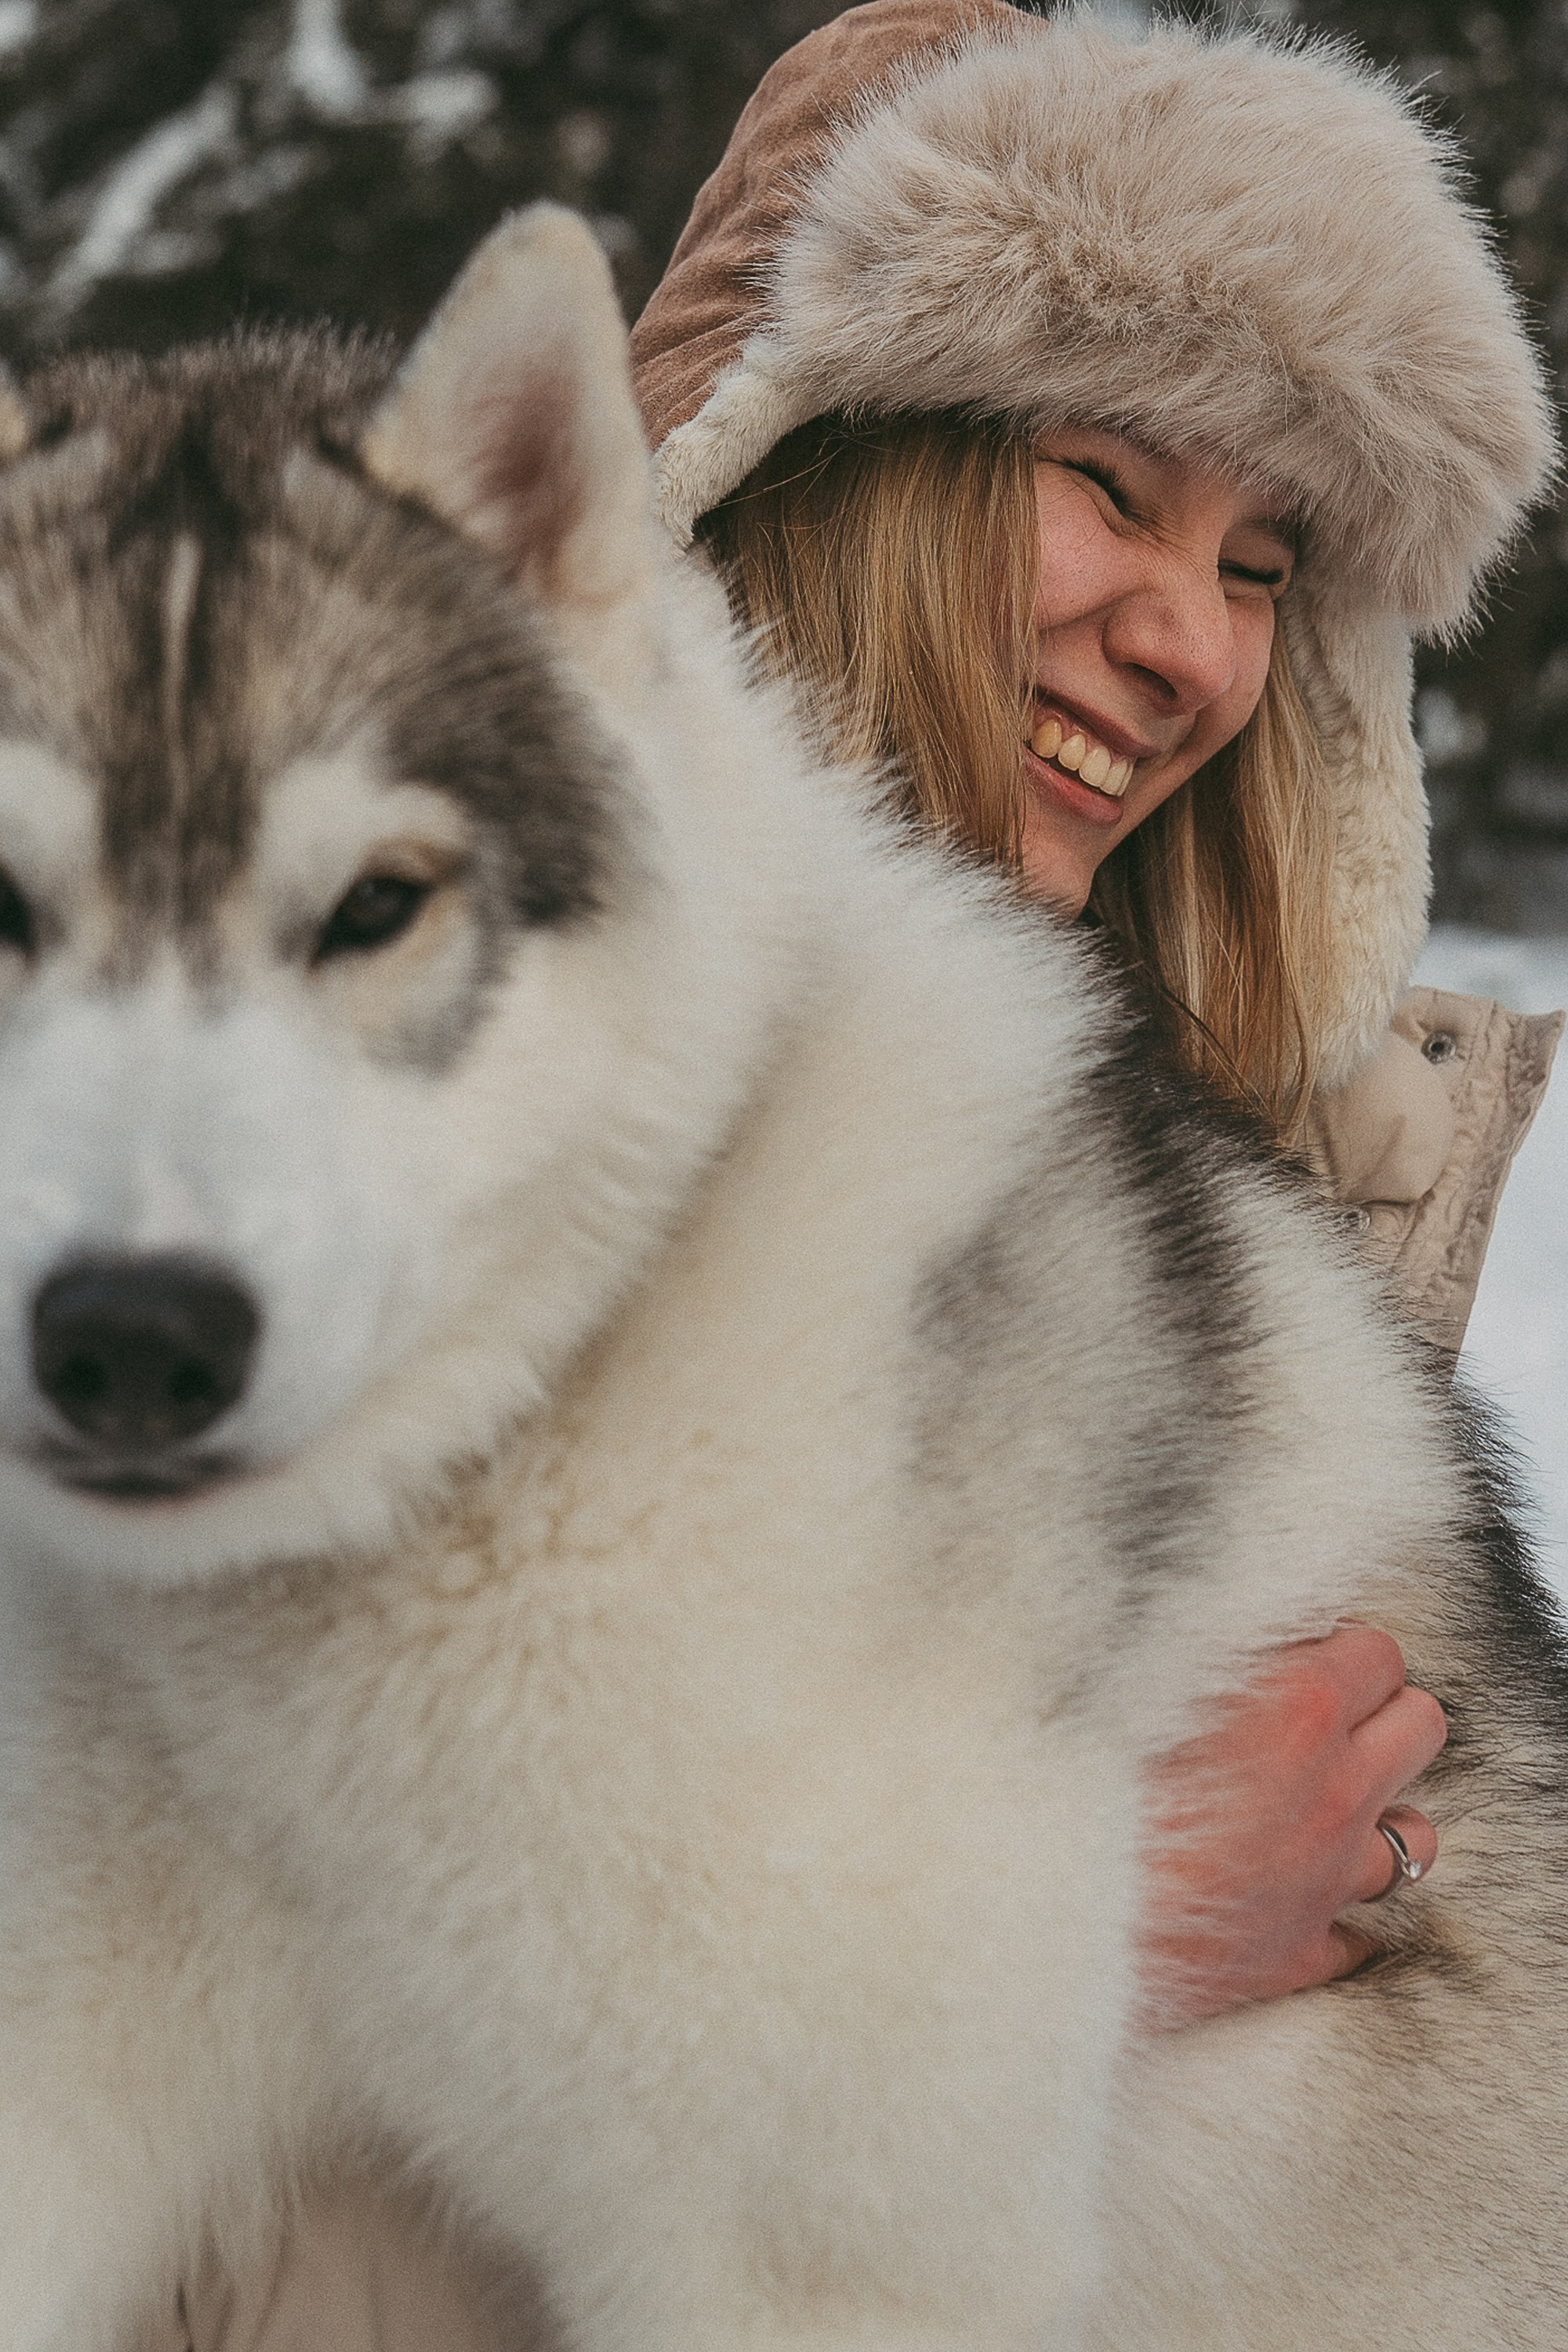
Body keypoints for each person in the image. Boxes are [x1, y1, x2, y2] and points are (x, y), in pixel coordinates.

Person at [165, 2, 1562, 2341]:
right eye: (1109, 482)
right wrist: (1072, 1941)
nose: (1189, 645)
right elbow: (214, 2176)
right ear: (810, 467)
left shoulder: (1272, 1168)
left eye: (1262, 562)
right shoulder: (379, 1159)